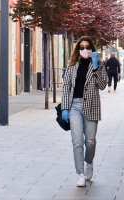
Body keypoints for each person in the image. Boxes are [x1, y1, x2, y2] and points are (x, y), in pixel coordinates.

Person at [61, 36, 107, 187]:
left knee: (90, 141)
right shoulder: (72, 66)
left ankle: (89, 162)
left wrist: (95, 68)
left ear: (92, 49)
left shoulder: (98, 65)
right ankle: (80, 173)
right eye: (82, 47)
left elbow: (102, 86)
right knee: (77, 141)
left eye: (88, 47)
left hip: (92, 106)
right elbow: (66, 88)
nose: (85, 50)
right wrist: (65, 108)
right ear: (78, 49)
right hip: (74, 106)